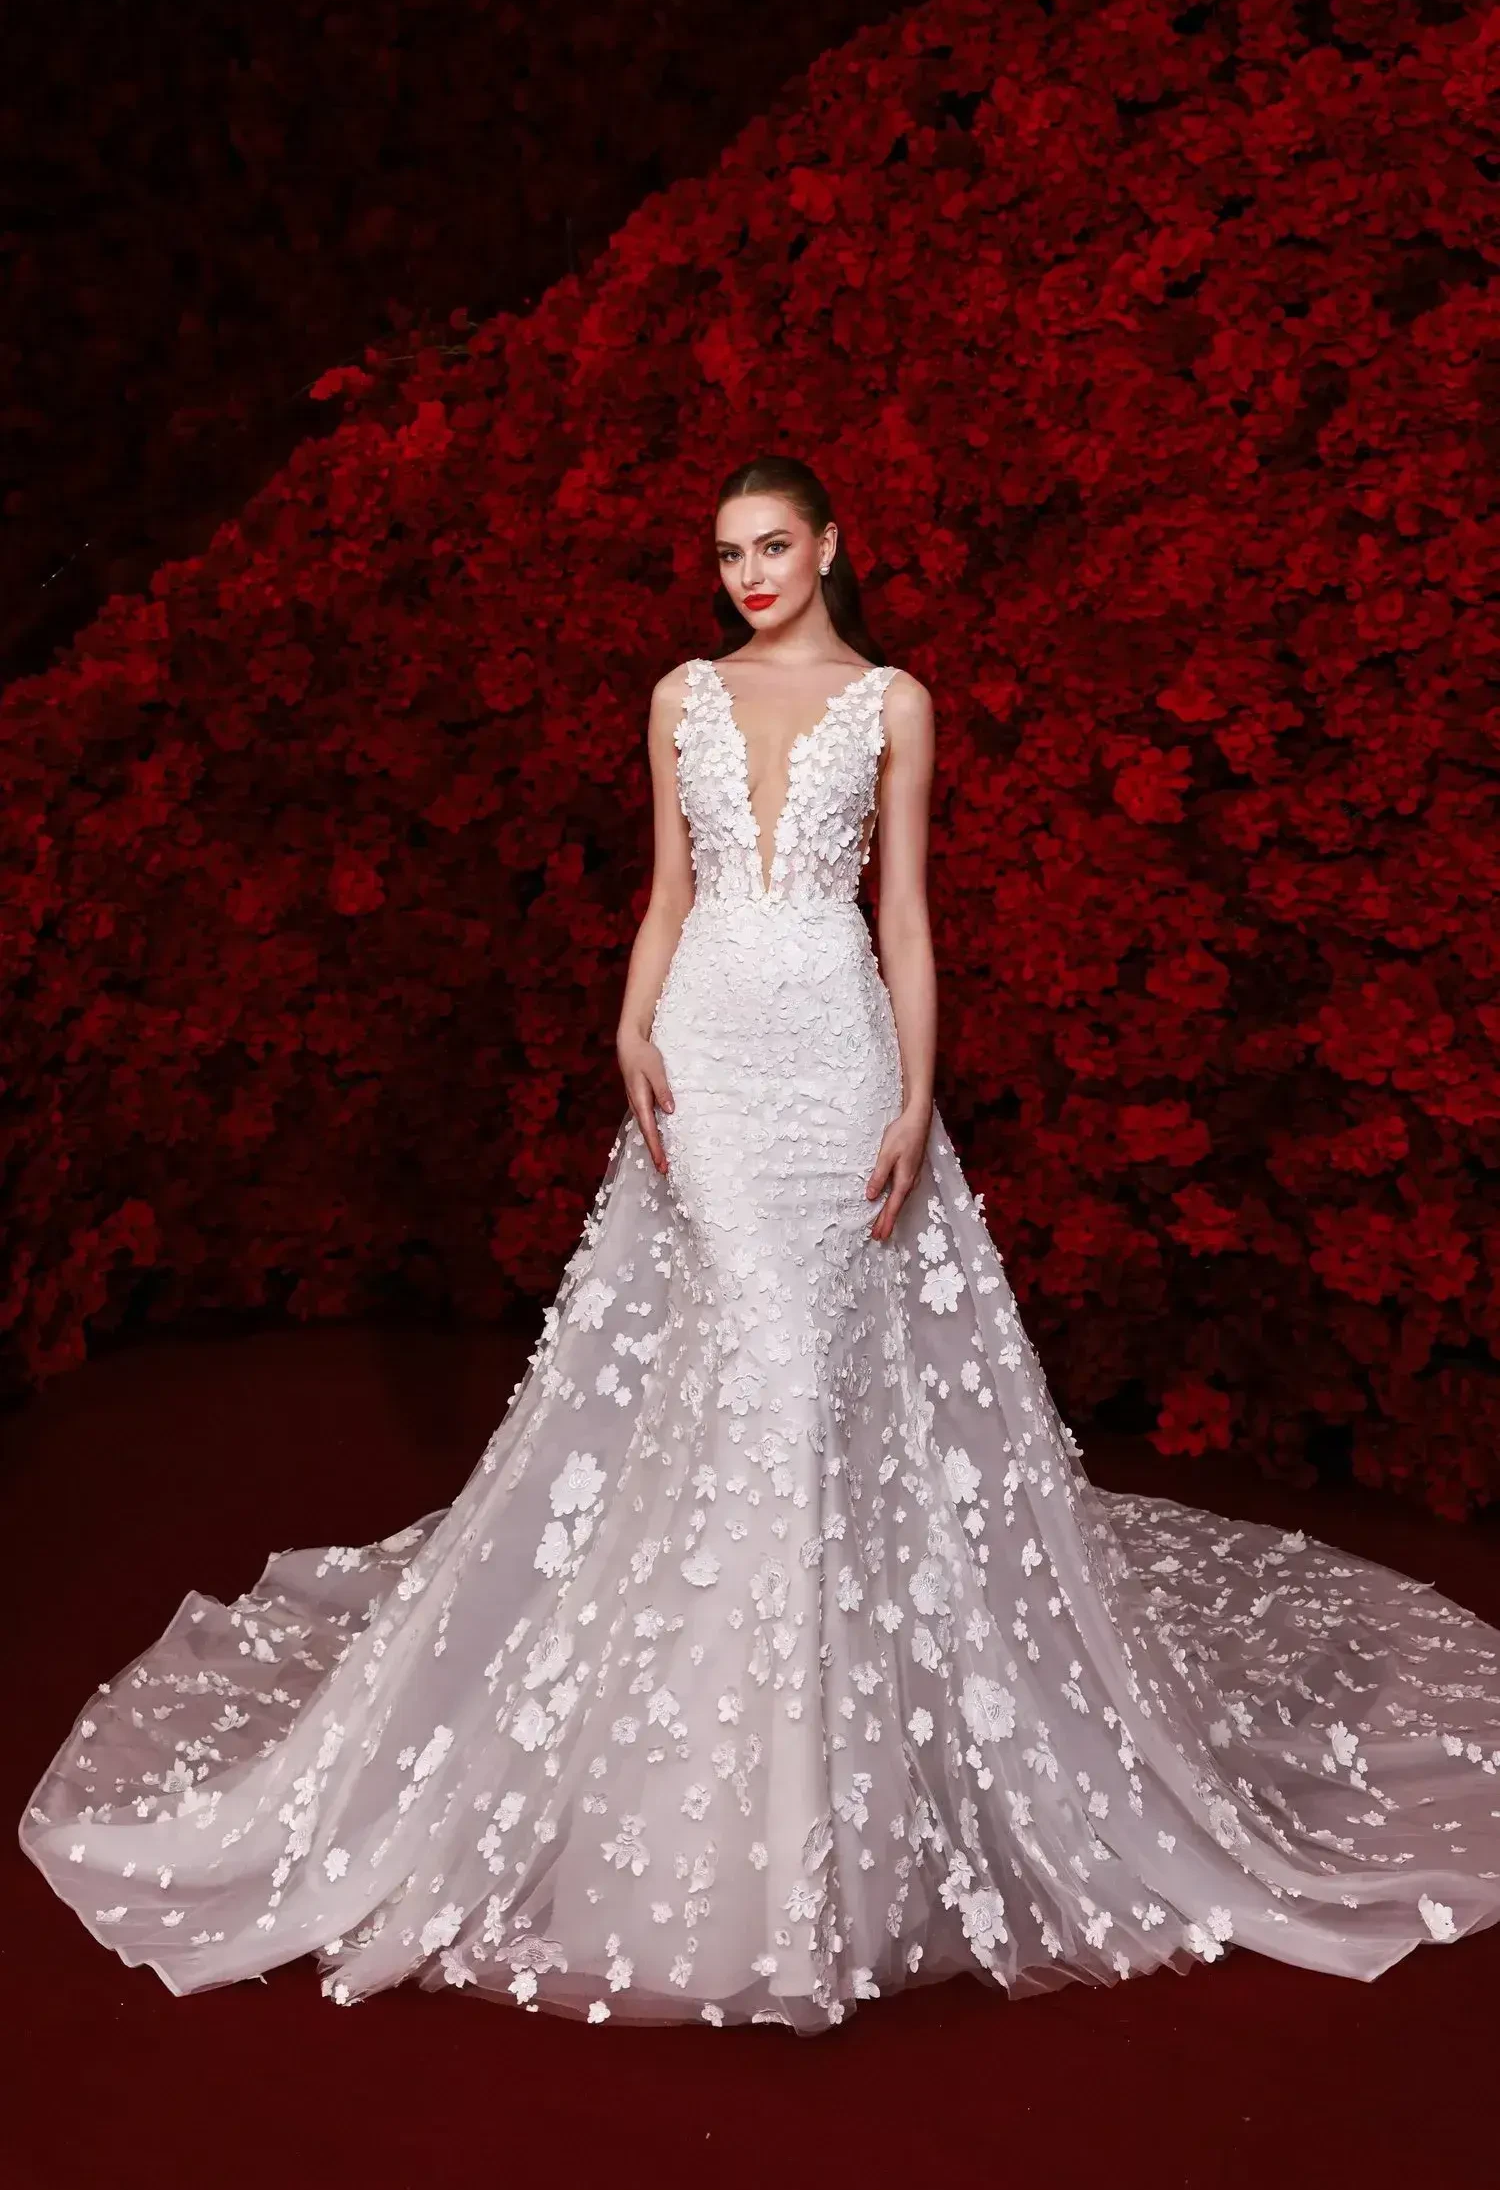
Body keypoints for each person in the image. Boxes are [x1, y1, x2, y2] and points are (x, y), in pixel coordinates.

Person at [19, 455, 1500, 2034]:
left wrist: (920, 1091)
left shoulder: (894, 703)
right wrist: (626, 1030)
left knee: (818, 1384)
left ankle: (817, 1808)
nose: (750, 574)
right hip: (713, 1056)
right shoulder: (680, 697)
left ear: (831, 547)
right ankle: (743, 1804)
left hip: (843, 1055)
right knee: (767, 1378)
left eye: (774, 546)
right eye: (729, 553)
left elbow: (906, 915)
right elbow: (666, 893)